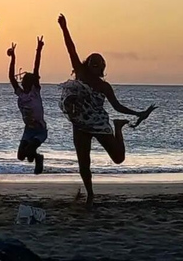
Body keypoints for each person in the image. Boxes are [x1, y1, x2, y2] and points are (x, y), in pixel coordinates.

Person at [57, 14, 158, 207]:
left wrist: (138, 113)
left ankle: (118, 127)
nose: (95, 67)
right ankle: (90, 195)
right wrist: (64, 28)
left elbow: (117, 106)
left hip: (99, 123)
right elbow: (71, 49)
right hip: (80, 124)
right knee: (83, 162)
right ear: (88, 64)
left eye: (99, 65)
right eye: (93, 63)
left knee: (118, 158)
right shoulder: (80, 73)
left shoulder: (105, 87)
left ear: (102, 68)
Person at [7, 36, 47, 175]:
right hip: (28, 130)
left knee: (30, 152)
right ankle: (35, 156)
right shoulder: (20, 94)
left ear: (31, 83)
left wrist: (39, 49)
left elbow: (36, 68)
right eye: (22, 81)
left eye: (25, 81)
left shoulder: (35, 91)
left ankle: (38, 157)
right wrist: (13, 58)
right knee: (21, 156)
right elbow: (11, 78)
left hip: (40, 130)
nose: (22, 83)